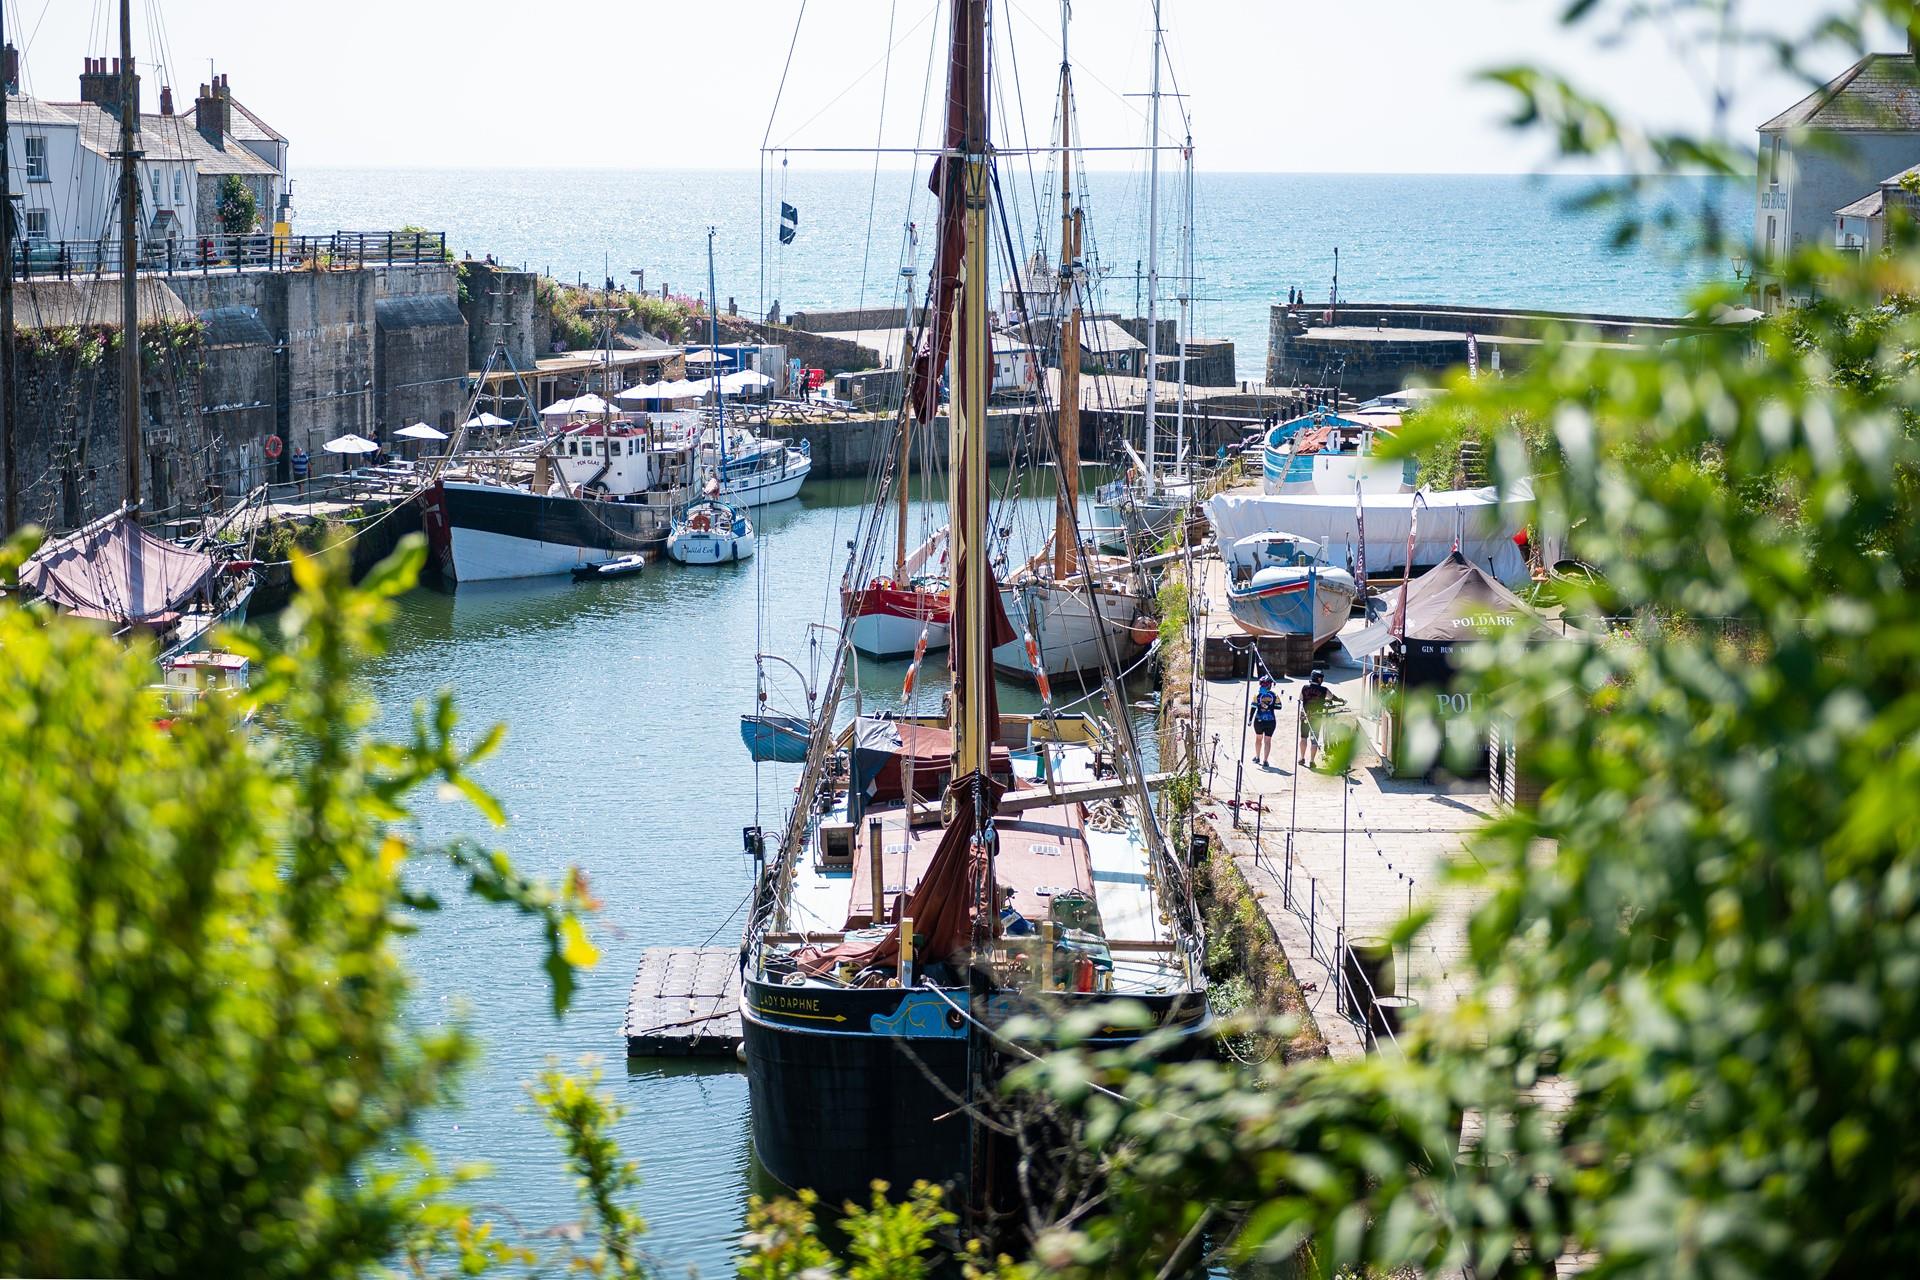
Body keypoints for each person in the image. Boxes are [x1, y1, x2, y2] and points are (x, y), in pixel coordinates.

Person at [1298, 668, 1346, 768]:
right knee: (1314, 740)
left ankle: (1302, 758)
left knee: (1303, 737)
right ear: (1319, 679)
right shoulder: (1324, 690)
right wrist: (1341, 700)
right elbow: (1332, 697)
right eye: (1321, 678)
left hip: (1305, 716)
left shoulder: (1304, 687)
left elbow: (1301, 699)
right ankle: (1311, 761)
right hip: (1317, 717)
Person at [1248, 674, 1281, 768]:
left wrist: (1250, 720)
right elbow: (1279, 707)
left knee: (1258, 739)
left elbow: (1253, 708)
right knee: (1268, 741)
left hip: (1259, 720)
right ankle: (1265, 760)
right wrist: (1270, 706)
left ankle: (1257, 757)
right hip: (1271, 721)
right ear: (1270, 685)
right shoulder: (1274, 695)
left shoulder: (1257, 695)